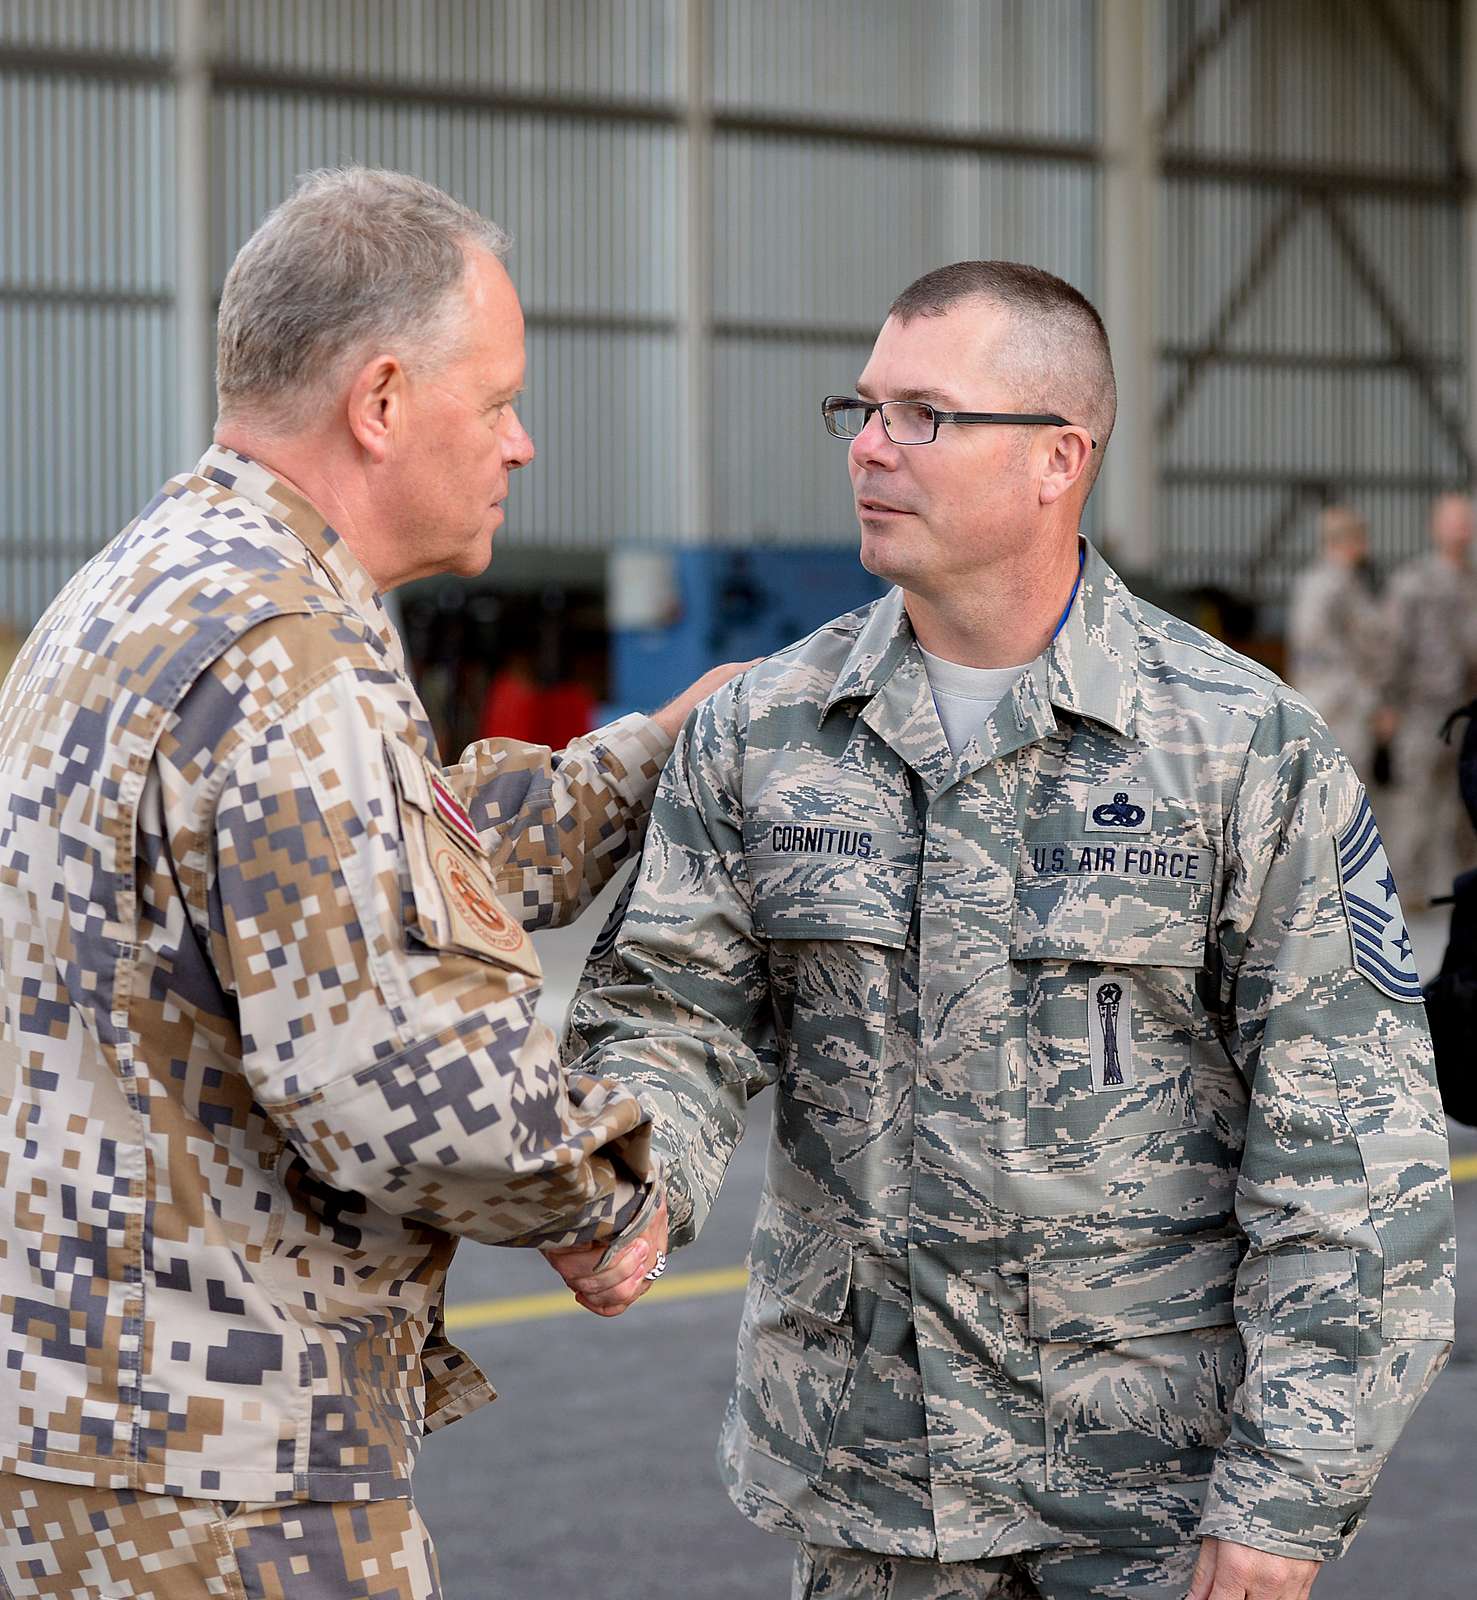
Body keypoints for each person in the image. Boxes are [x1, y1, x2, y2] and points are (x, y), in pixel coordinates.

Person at [555, 262, 1456, 1600]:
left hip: (1149, 1504)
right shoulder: (766, 734)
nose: (869, 445)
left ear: (1056, 459)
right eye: (859, 409)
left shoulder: (1239, 749)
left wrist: (1284, 1496)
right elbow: (668, 1014)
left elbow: (1350, 1152)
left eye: (924, 413)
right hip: (873, 1494)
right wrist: (635, 1174)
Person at [0, 167, 741, 1597]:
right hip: (228, 1475)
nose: (521, 444)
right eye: (498, 399)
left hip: (93, 1431)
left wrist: (642, 757)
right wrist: (604, 1202)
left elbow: (352, 866)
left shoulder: (150, 586)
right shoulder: (291, 658)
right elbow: (407, 1083)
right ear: (383, 400)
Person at [1379, 492, 1477, 907]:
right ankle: (1404, 895)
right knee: (1415, 804)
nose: (1460, 529)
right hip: (1421, 709)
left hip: (1467, 710)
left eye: (1465, 521)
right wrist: (1387, 704)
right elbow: (1391, 646)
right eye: (1452, 520)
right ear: (1435, 527)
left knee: (1465, 807)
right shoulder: (1412, 581)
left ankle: (1464, 892)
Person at [1285, 504, 1388, 783]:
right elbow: (1370, 642)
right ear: (1352, 542)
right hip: (1340, 705)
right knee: (1343, 786)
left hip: (1328, 700)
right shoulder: (1334, 586)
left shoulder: (1326, 583)